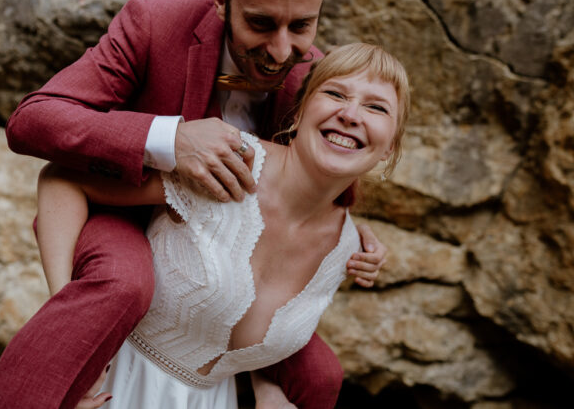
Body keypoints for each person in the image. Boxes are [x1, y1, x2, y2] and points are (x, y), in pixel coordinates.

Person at [0, 0, 388, 408]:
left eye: (302, 25)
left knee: (320, 374)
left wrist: (356, 236)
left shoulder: (315, 78)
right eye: (260, 23)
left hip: (229, 263)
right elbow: (34, 120)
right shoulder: (151, 23)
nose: (281, 50)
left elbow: (321, 182)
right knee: (124, 282)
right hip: (125, 209)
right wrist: (169, 140)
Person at [36, 43, 410, 409]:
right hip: (114, 386)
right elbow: (64, 180)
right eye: (335, 94)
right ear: (298, 114)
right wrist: (72, 336)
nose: (351, 114)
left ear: (390, 147)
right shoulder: (225, 163)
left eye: (376, 107)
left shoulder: (346, 250)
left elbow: (228, 320)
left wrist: (268, 388)